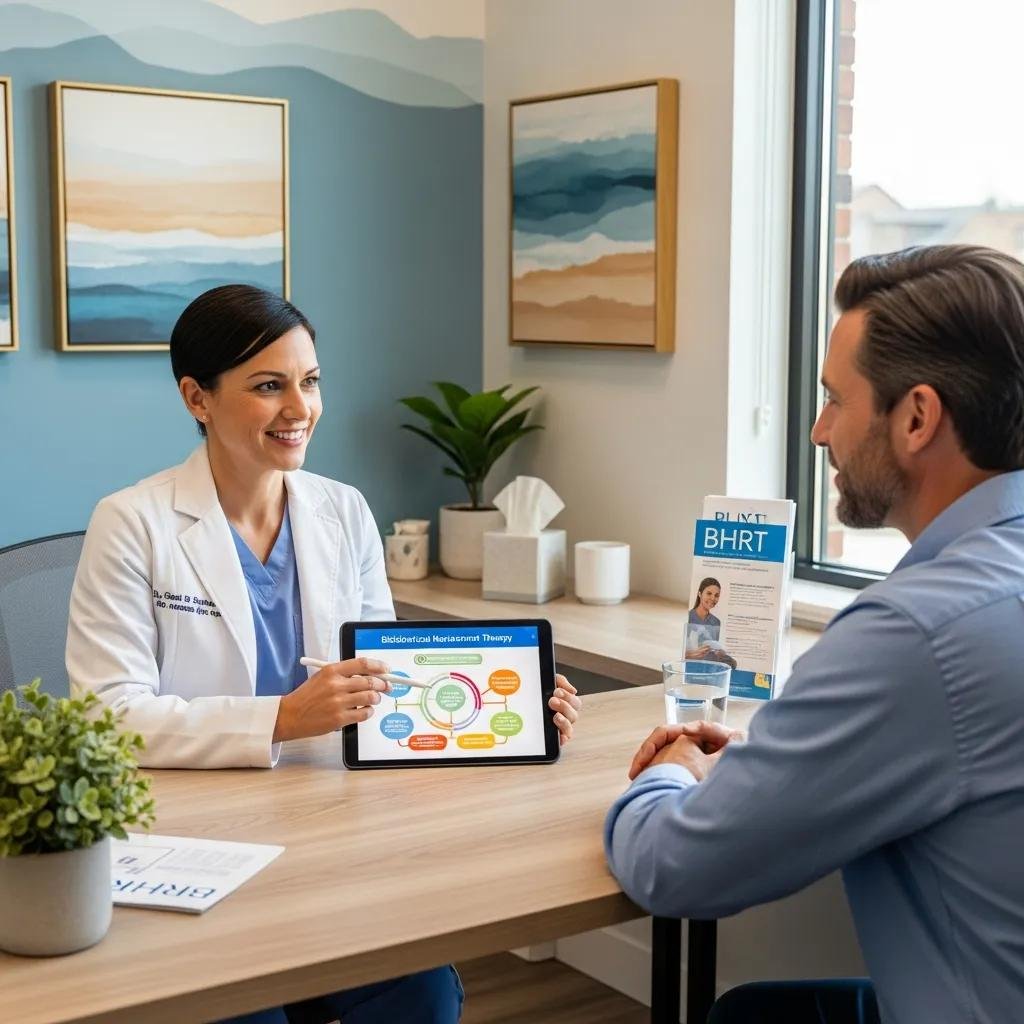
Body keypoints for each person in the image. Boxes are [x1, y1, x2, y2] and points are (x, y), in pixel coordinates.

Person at [66, 285, 583, 1024]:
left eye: (309, 382)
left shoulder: (342, 511)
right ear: (197, 398)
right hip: (196, 848)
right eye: (268, 386)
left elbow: (391, 689)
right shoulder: (132, 523)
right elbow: (108, 717)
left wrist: (511, 711)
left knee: (424, 993)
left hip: (330, 841)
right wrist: (279, 718)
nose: (299, 408)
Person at [605, 245, 1024, 1024]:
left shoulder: (917, 631)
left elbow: (675, 868)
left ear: (917, 417)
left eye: (836, 399)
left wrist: (669, 770)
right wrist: (775, 770)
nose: (819, 432)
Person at [683, 577, 736, 668]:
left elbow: (713, 651)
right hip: (690, 667)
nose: (713, 598)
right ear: (700, 594)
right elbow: (678, 652)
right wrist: (692, 654)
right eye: (709, 593)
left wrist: (720, 653)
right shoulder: (688, 617)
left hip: (708, 669)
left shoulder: (716, 622)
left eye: (716, 595)